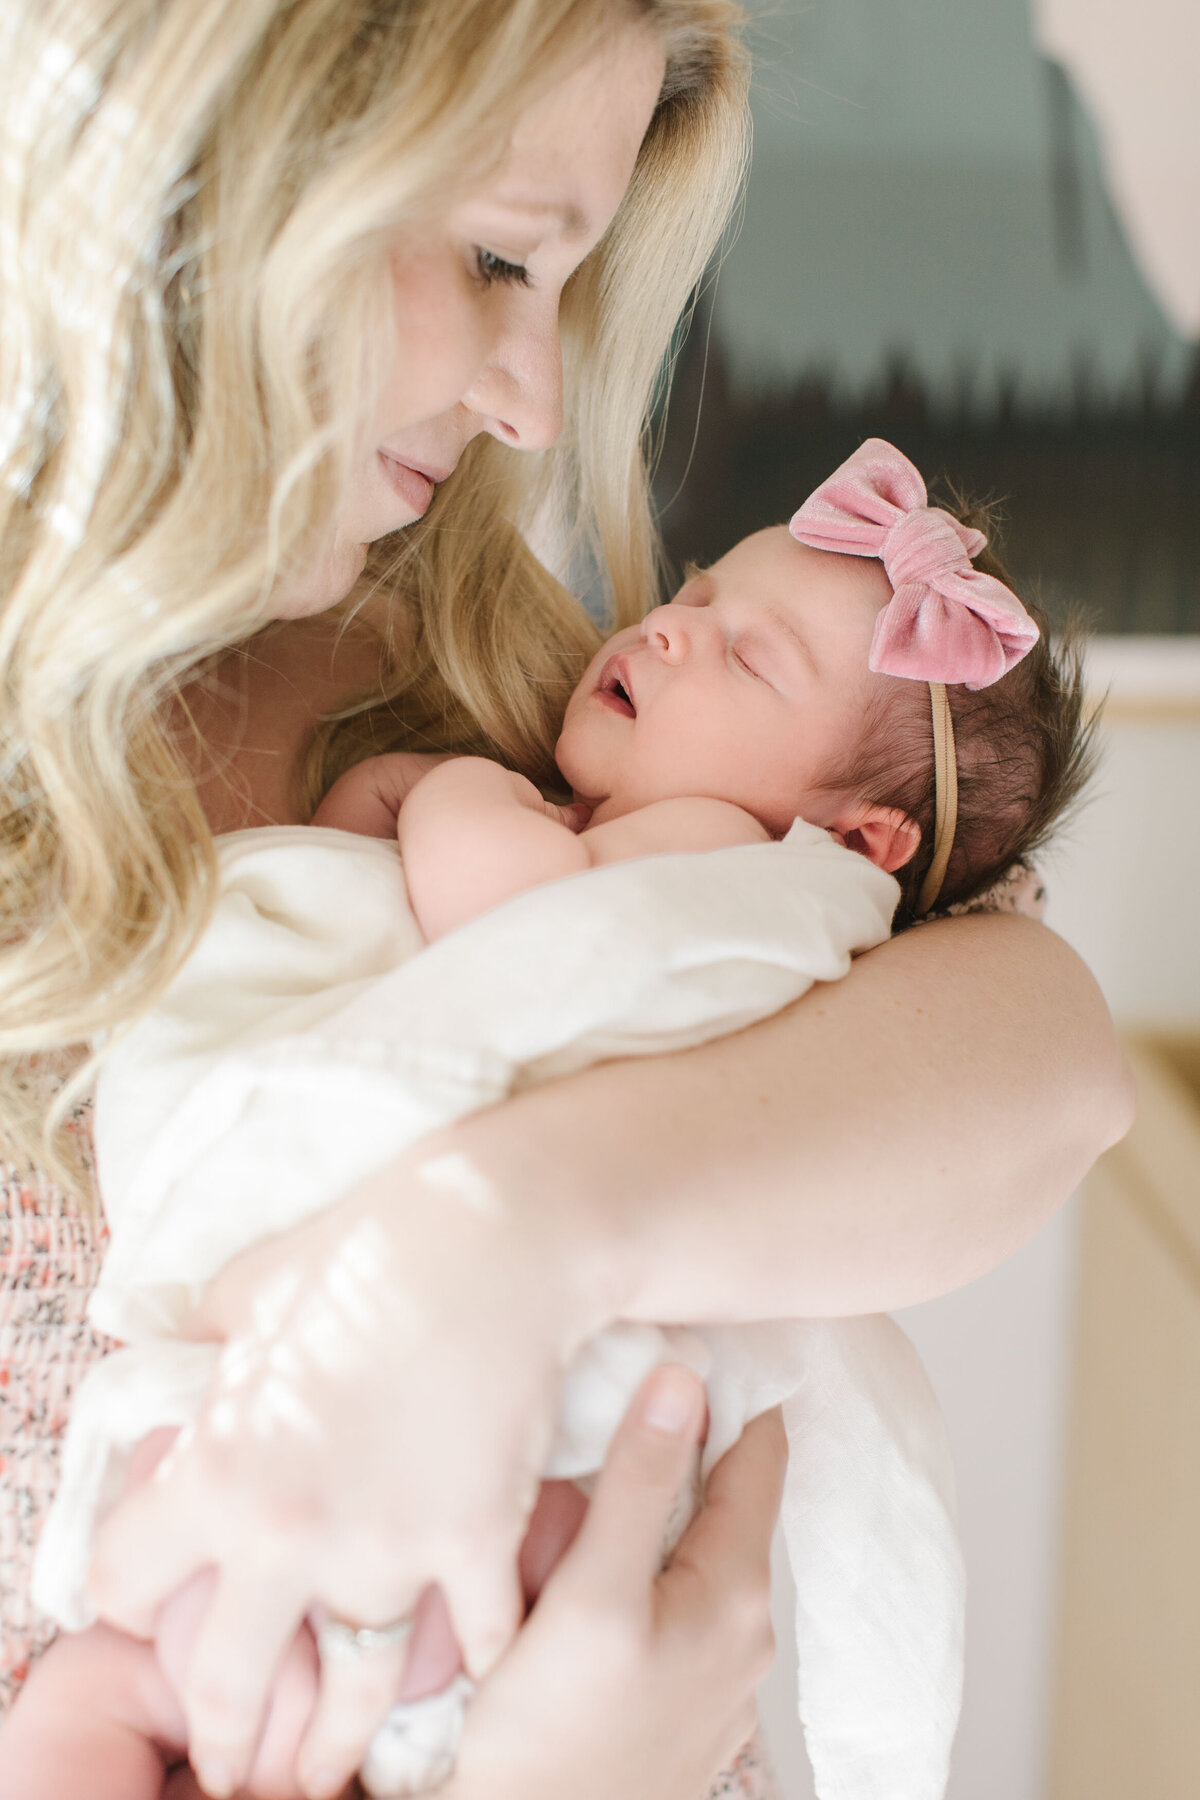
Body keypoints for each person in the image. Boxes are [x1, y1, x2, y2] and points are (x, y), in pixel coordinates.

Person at [0, 2, 1131, 1798]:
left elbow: (1054, 1056)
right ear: (218, 177)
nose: (534, 396)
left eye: (564, 290)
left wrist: (498, 1243)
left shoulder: (505, 691)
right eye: (499, 258)